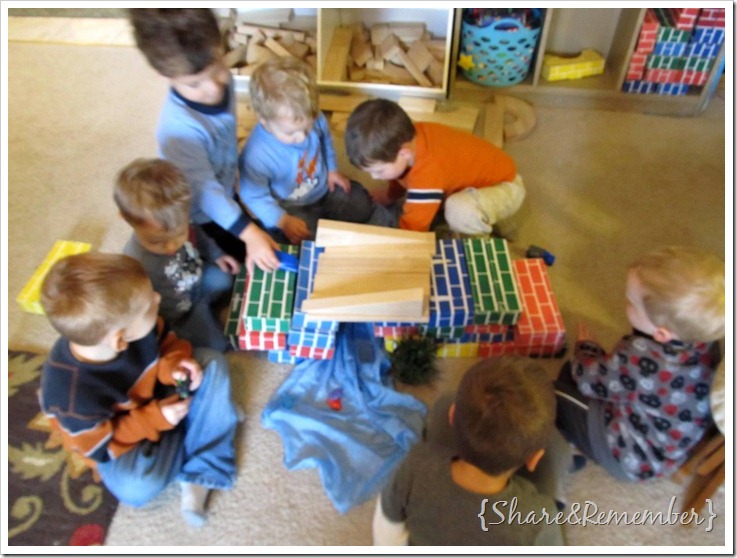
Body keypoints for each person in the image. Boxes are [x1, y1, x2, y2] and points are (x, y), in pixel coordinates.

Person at [38, 252, 239, 526]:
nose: (157, 299)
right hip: (120, 439)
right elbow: (101, 447)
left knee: (213, 365)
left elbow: (169, 342)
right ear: (120, 341)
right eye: (149, 304)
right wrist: (156, 419)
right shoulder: (69, 394)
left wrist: (175, 365)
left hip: (154, 396)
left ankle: (200, 472)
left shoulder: (139, 326)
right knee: (135, 487)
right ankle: (209, 420)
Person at [555, 246, 724, 482]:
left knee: (555, 391)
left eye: (631, 303)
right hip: (664, 450)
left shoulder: (640, 357)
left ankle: (563, 451)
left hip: (627, 455)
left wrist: (586, 349)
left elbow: (587, 379)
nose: (625, 306)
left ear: (662, 334)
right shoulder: (705, 340)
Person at [129, 8, 279, 272]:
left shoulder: (222, 83)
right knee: (250, 253)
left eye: (218, 68)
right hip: (198, 211)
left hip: (220, 181)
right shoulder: (177, 133)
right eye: (196, 84)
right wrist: (250, 235)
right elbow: (205, 193)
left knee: (263, 232)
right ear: (165, 76)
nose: (214, 89)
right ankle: (207, 251)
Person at [374, 357, 564, 546]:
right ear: (534, 458)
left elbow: (387, 527)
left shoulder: (414, 467)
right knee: (558, 452)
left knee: (444, 401)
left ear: (452, 415)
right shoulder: (539, 519)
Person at [239, 57, 391, 245]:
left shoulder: (314, 116)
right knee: (303, 239)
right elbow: (253, 196)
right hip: (292, 206)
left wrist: (333, 170)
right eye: (291, 133)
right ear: (263, 119)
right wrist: (282, 220)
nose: (302, 137)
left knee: (361, 202)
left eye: (307, 128)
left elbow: (325, 140)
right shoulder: (256, 155)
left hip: (324, 187)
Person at [344, 98, 525, 236]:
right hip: (479, 178)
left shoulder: (427, 174)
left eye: (379, 171)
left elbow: (414, 226)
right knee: (439, 203)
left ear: (404, 153)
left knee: (458, 211)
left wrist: (399, 243)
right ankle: (489, 215)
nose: (375, 177)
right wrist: (390, 195)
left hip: (506, 187)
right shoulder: (409, 138)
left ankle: (480, 239)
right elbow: (400, 173)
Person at [114, 158, 235, 351]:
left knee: (226, 279)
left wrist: (217, 254)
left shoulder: (180, 219)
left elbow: (200, 237)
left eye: (180, 235)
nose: (171, 247)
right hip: (178, 314)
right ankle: (199, 317)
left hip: (198, 281)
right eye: (157, 241)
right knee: (218, 345)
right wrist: (164, 330)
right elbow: (138, 312)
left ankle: (205, 307)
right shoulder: (135, 265)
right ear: (127, 219)